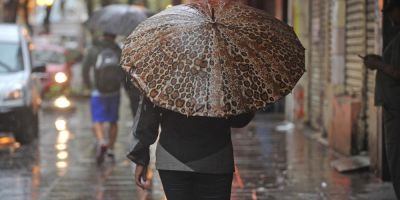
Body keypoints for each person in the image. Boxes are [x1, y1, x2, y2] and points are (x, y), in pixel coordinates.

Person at [127, 96, 254, 199]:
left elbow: (149, 115)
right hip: (216, 157)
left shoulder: (165, 71)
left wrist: (141, 158)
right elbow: (240, 119)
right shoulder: (224, 71)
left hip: (172, 157)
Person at [362, 1, 400, 198]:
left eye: (392, 12)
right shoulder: (396, 37)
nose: (390, 17)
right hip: (392, 109)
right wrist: (379, 60)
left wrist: (378, 64)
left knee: (396, 159)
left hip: (396, 111)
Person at [82, 32, 122, 165]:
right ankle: (110, 147)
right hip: (114, 91)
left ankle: (101, 142)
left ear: (102, 34)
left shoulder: (94, 49)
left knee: (97, 119)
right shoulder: (117, 49)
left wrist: (88, 85)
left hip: (97, 90)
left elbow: (85, 69)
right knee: (113, 120)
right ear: (114, 36)